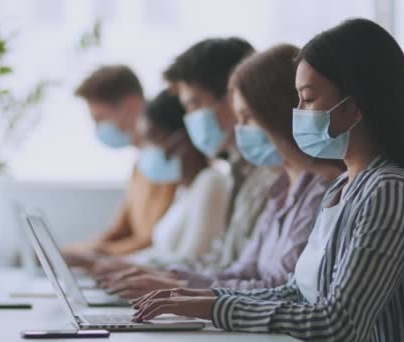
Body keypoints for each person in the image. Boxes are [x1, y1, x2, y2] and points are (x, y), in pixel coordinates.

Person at [130, 18, 404, 342]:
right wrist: (207, 300)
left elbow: (338, 323)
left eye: (308, 99)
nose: (296, 112)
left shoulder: (388, 190)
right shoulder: (345, 187)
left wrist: (214, 309)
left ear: (354, 107)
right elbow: (296, 293)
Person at [99, 45, 345, 300]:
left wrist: (196, 295)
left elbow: (286, 288)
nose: (239, 130)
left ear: (274, 113)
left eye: (247, 117)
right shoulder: (278, 185)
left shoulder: (323, 187)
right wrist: (174, 282)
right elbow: (242, 268)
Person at [92, 38, 279, 276]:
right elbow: (220, 263)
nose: (190, 118)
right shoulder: (237, 173)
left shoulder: (261, 177)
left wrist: (166, 282)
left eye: (194, 104)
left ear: (234, 99)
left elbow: (241, 273)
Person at [63, 66, 178, 267]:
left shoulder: (169, 165)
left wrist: (96, 256)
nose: (98, 129)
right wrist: (71, 252)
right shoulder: (140, 165)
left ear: (131, 105)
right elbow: (120, 230)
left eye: (99, 119)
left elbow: (153, 238)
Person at [124, 89, 230, 267]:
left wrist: (122, 266)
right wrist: (111, 264)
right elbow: (160, 254)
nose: (145, 149)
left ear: (180, 140)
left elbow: (192, 260)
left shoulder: (211, 182)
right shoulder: (184, 189)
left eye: (152, 138)